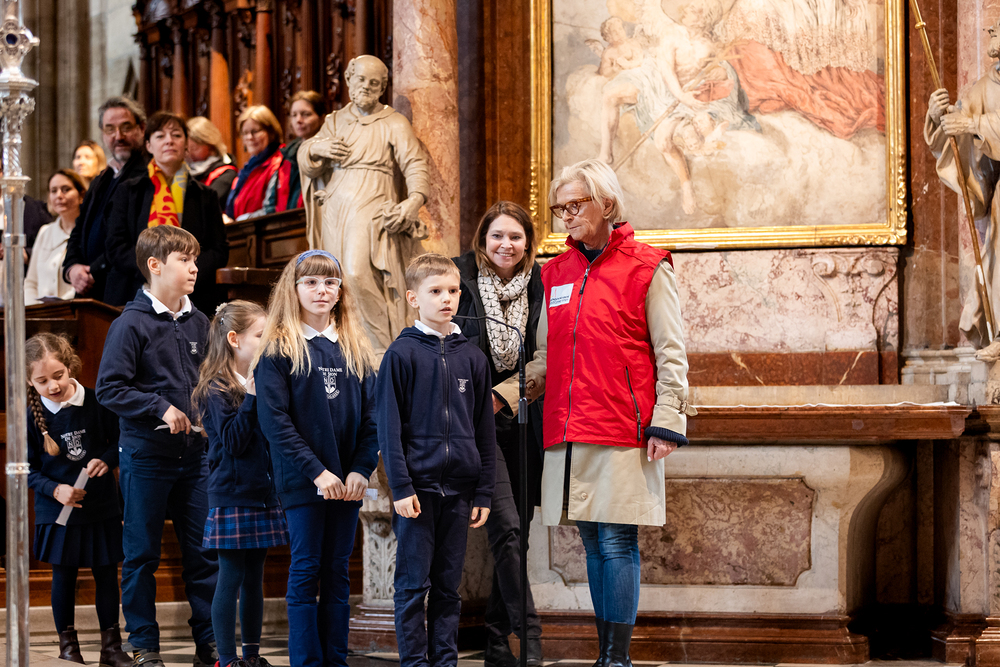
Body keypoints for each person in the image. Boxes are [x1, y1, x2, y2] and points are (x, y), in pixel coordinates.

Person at [518, 159, 696, 667]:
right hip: (567, 427)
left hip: (621, 426)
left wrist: (668, 421)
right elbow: (546, 356)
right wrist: (510, 393)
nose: (567, 216)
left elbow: (671, 351)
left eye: (576, 205)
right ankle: (606, 655)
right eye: (560, 208)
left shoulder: (647, 266)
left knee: (617, 540)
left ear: (607, 204)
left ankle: (617, 659)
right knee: (592, 542)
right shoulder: (554, 273)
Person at [95, 225, 219, 667]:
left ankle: (210, 642)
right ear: (155, 265)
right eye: (184, 260)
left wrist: (212, 413)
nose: (194, 267)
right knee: (142, 555)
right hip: (146, 457)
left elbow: (213, 380)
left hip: (196, 459)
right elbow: (109, 388)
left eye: (195, 259)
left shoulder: (200, 322)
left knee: (205, 555)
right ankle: (144, 645)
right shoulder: (130, 324)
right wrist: (159, 407)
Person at [254, 249, 378, 667]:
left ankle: (335, 661)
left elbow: (373, 418)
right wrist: (317, 472)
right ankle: (307, 662)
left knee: (338, 573)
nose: (321, 290)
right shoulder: (278, 350)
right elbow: (275, 422)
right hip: (304, 481)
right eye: (310, 282)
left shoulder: (355, 349)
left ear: (340, 292)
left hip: (347, 483)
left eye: (330, 282)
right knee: (306, 570)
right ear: (293, 290)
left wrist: (361, 468)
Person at [377, 253, 497, 667]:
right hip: (418, 491)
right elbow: (389, 429)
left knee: (448, 587)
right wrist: (401, 486)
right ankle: (414, 662)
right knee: (413, 586)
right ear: (414, 298)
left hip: (460, 491)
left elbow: (484, 431)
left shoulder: (472, 358)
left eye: (453, 291)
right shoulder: (401, 354)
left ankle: (445, 662)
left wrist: (484, 490)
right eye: (435, 291)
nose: (447, 299)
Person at [452, 201, 544, 667]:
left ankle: (495, 642)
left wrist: (502, 395)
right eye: (497, 236)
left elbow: (547, 354)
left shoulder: (542, 282)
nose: (505, 245)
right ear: (482, 239)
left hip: (524, 421)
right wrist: (478, 401)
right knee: (505, 528)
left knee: (515, 535)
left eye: (515, 237)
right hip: (475, 425)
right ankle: (531, 641)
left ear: (528, 242)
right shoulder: (459, 277)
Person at [300, 55, 430, 359]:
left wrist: (414, 200)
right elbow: (306, 158)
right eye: (361, 80)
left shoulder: (393, 122)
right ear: (348, 80)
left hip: (373, 199)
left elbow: (415, 163)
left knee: (358, 271)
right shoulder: (334, 121)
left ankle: (379, 347)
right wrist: (317, 148)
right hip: (335, 205)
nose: (367, 87)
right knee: (335, 277)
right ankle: (346, 343)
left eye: (375, 83)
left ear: (383, 87)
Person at [25, 332, 131, 667]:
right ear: (29, 381)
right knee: (63, 576)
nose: (53, 386)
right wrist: (55, 489)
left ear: (70, 366)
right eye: (42, 381)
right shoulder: (30, 416)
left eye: (58, 375)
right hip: (56, 510)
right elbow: (24, 469)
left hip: (100, 504)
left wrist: (107, 460)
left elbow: (122, 440)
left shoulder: (97, 401)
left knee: (106, 573)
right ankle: (68, 647)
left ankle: (111, 648)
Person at [194, 300, 287, 667]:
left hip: (262, 493)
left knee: (254, 578)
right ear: (234, 339)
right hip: (232, 494)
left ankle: (251, 655)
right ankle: (227, 658)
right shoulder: (214, 388)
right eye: (261, 335)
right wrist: (251, 398)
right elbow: (232, 442)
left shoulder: (263, 380)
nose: (268, 342)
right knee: (230, 576)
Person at [103, 110, 229, 313]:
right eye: (160, 136)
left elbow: (218, 250)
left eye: (176, 135)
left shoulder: (206, 195)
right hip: (135, 290)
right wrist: (156, 272)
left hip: (193, 295)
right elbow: (116, 245)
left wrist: (184, 273)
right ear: (148, 145)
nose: (169, 141)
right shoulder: (128, 191)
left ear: (186, 144)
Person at [925, 18, 1000, 348]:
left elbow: (970, 122)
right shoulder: (985, 86)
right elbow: (953, 132)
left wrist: (973, 124)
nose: (991, 33)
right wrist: (937, 116)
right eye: (991, 29)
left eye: (998, 29)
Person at [63, 96, 149, 303]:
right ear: (102, 133)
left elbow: (134, 238)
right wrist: (72, 268)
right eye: (110, 129)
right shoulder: (102, 178)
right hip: (91, 292)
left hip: (124, 290)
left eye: (126, 127)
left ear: (142, 128)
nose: (118, 136)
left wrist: (94, 270)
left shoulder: (148, 176)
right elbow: (79, 230)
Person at [25, 170, 86, 305]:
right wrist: (34, 309)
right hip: (40, 313)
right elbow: (31, 282)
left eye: (66, 190)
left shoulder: (87, 233)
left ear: (81, 194)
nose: (59, 195)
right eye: (54, 191)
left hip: (74, 309)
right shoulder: (45, 232)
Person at [263, 91, 326, 214]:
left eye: (306, 114)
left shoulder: (328, 151)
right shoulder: (287, 154)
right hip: (286, 222)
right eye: (294, 115)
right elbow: (271, 201)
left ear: (322, 118)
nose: (298, 120)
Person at [226, 106, 284, 221]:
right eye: (245, 133)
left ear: (271, 132)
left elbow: (274, 209)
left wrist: (240, 221)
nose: (249, 137)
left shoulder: (279, 163)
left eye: (255, 131)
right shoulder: (247, 168)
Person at [186, 117, 237, 209]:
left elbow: (207, 206)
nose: (190, 154)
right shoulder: (185, 171)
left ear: (210, 145)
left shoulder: (226, 173)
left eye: (194, 148)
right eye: (187, 149)